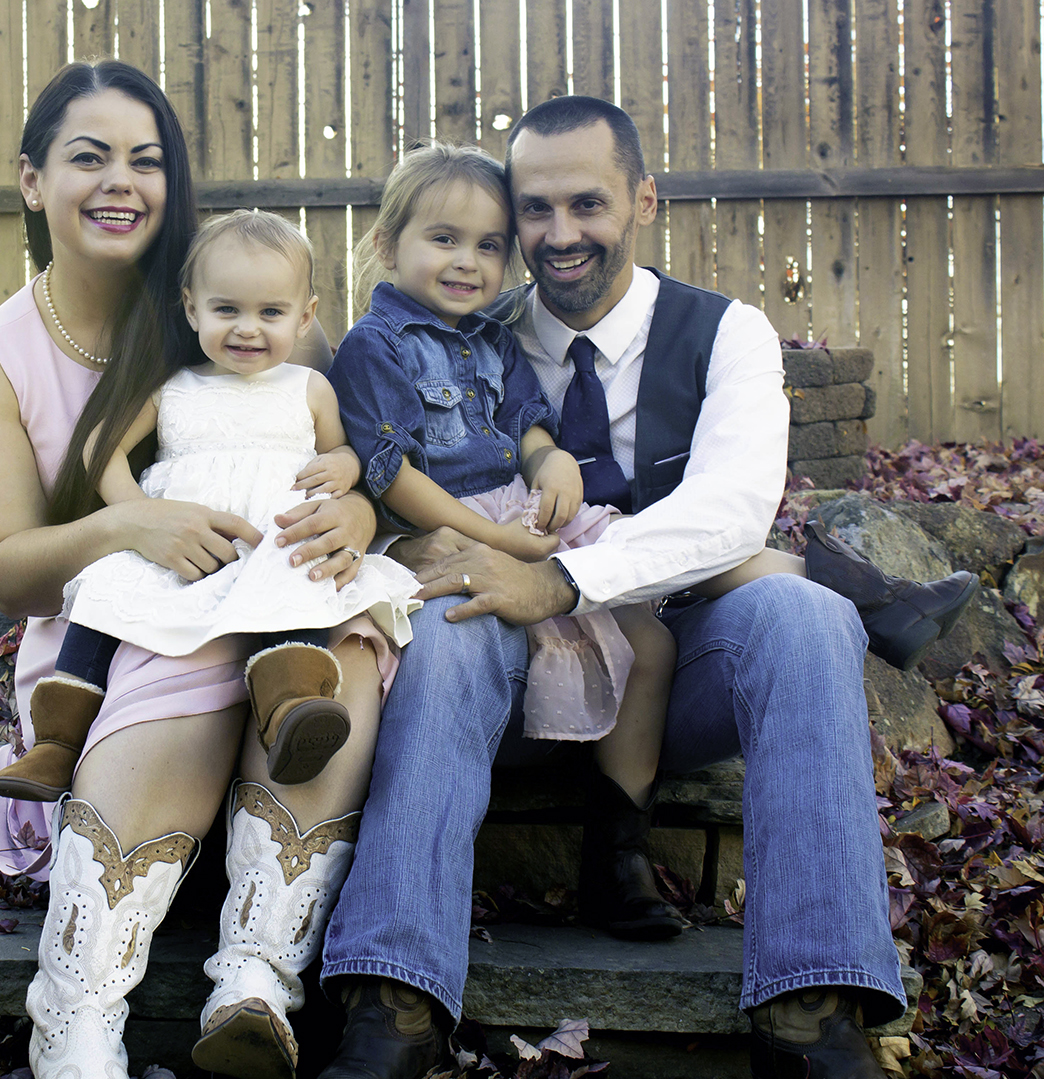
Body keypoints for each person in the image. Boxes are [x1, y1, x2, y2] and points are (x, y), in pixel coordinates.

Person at [315, 97, 975, 1079]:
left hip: (665, 665)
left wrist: (561, 577)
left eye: (588, 202)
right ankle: (393, 997)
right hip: (491, 666)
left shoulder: (726, 335)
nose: (558, 233)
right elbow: (372, 445)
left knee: (804, 614)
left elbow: (733, 509)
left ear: (644, 199)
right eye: (534, 209)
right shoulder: (464, 326)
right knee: (453, 617)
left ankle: (814, 1009)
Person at [0, 60, 397, 1079]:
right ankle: (78, 1018)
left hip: (275, 587)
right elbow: (3, 571)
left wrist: (357, 505)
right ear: (31, 180)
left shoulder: (241, 280)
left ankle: (257, 979)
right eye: (88, 157)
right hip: (123, 617)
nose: (121, 182)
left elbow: (320, 438)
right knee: (183, 678)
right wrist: (130, 526)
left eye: (146, 160)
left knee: (346, 650)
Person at [327, 141, 684, 941]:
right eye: (444, 239)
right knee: (485, 639)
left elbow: (524, 420)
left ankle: (618, 850)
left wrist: (551, 459)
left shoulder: (492, 338)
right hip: (442, 527)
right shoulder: (374, 346)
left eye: (490, 245)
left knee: (651, 639)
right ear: (388, 244)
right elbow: (391, 472)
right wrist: (487, 534)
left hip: (520, 517)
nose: (469, 263)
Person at [0, 209, 418, 803]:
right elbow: (99, 447)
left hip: (271, 539)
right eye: (227, 310)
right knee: (109, 593)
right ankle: (56, 743)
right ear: (192, 309)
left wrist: (344, 468)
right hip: (180, 546)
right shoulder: (174, 387)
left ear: (306, 317)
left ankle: (290, 709)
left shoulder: (309, 387)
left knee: (293, 581)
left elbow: (342, 450)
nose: (248, 328)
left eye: (271, 312)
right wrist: (138, 514)